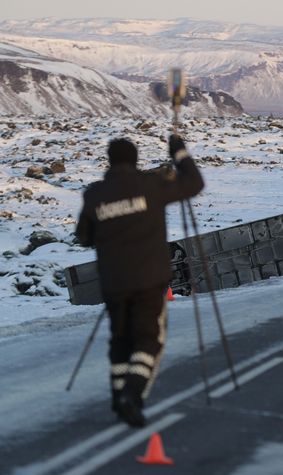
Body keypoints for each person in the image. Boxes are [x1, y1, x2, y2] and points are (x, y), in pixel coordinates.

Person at [75, 135, 204, 427]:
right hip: (148, 280)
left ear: (110, 160)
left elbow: (83, 236)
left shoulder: (95, 194)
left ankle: (119, 397)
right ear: (134, 159)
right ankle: (131, 395)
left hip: (114, 282)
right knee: (148, 340)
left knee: (121, 340)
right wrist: (179, 154)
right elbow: (194, 184)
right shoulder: (151, 186)